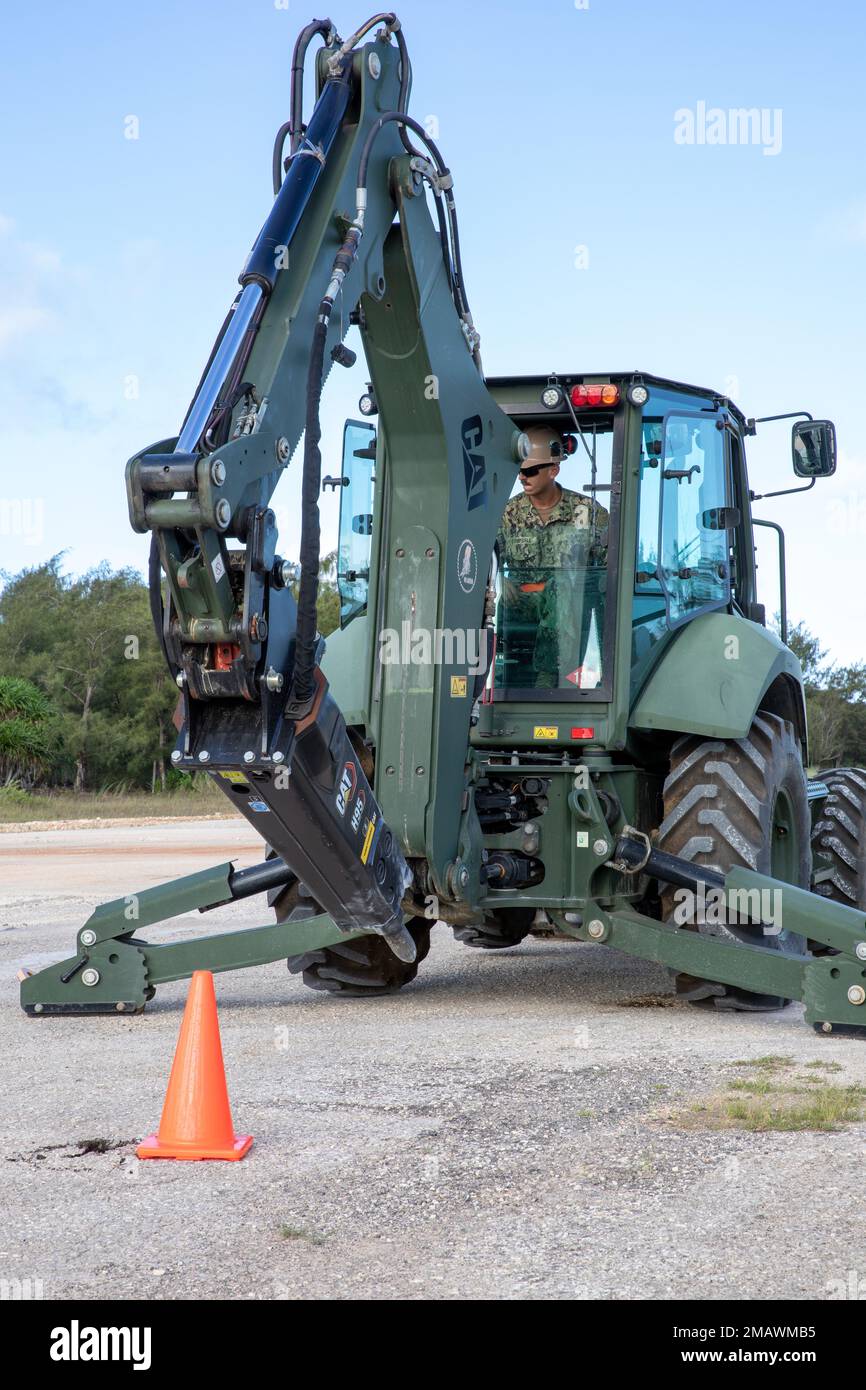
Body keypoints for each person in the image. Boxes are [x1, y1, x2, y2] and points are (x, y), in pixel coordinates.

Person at [496, 426, 609, 687]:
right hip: (522, 603)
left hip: (573, 608)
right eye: (519, 471)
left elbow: (610, 569)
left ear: (553, 470)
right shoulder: (507, 514)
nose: (523, 477)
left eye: (530, 471)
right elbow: (481, 560)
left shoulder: (588, 513)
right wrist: (500, 583)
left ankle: (551, 675)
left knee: (561, 587)